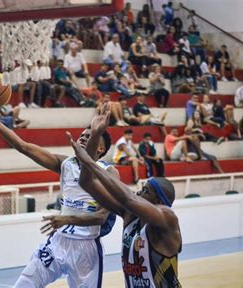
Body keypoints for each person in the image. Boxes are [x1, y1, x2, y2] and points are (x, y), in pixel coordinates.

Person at [0, 104, 117, 288]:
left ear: (99, 148)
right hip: (58, 242)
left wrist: (66, 218)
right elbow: (23, 147)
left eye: (89, 136)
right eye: (81, 135)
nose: (82, 137)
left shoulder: (109, 173)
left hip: (86, 248)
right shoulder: (65, 164)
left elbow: (100, 217)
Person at [67, 106, 182, 288]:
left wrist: (88, 161)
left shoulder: (167, 218)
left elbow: (129, 198)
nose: (138, 192)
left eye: (146, 191)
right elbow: (86, 183)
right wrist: (96, 134)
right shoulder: (130, 215)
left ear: (160, 202)